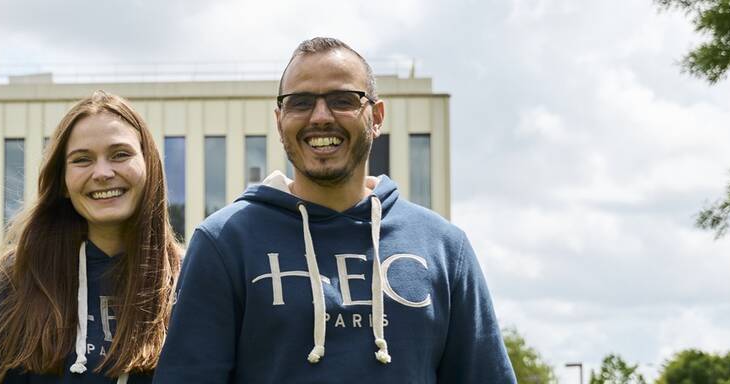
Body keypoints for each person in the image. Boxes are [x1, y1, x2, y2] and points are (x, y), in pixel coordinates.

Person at [153, 37, 515, 382]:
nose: (320, 116)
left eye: (343, 99)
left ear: (376, 116)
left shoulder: (444, 247)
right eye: (301, 102)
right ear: (279, 121)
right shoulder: (223, 243)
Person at [0, 91, 181, 384]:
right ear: (63, 183)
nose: (103, 173)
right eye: (82, 160)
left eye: (120, 154)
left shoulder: (189, 276)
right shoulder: (18, 275)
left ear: (149, 166)